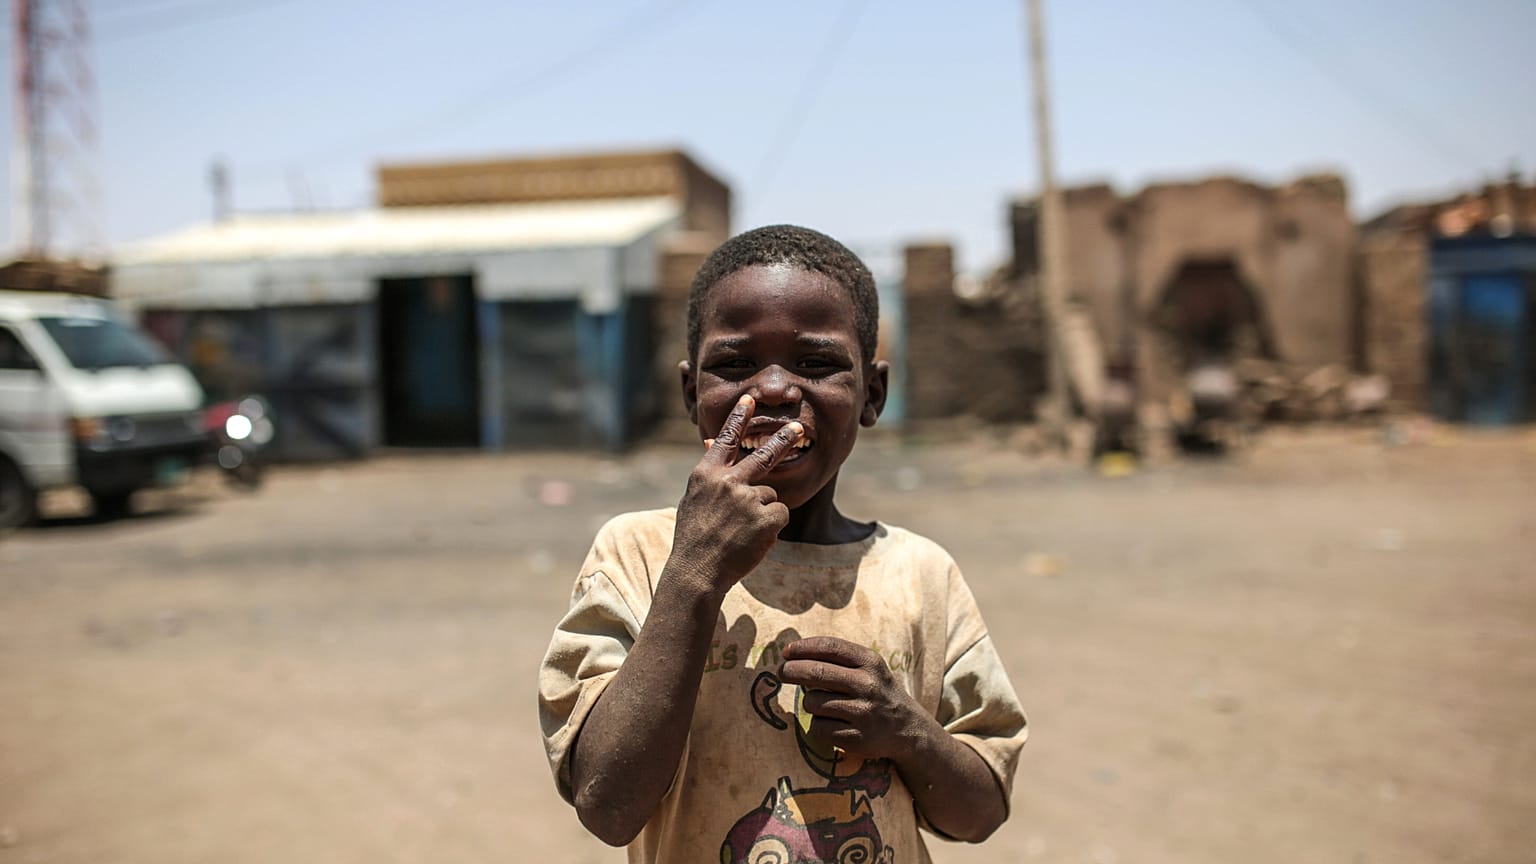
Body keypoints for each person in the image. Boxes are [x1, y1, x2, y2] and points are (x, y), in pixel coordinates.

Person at [538, 225, 1028, 864]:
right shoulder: (638, 554)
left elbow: (980, 814)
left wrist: (903, 731)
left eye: (818, 363)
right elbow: (607, 806)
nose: (772, 390)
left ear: (872, 395)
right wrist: (694, 572)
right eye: (735, 365)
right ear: (692, 395)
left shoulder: (920, 574)